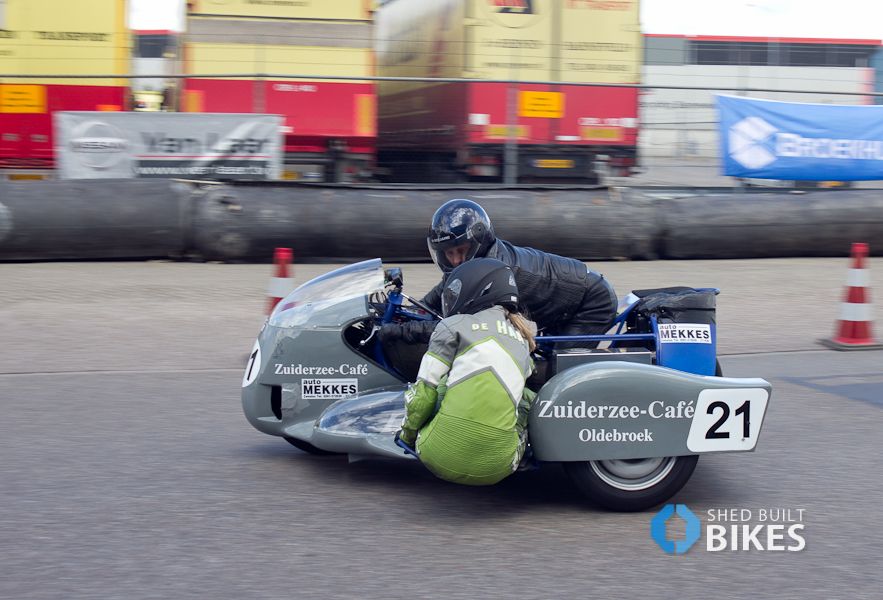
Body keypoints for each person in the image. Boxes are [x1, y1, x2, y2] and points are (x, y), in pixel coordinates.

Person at [382, 198, 618, 345]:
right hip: (560, 303)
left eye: (461, 251)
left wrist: (400, 331)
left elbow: (459, 326)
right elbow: (433, 301)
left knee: (555, 370)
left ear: (479, 242)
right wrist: (397, 314)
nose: (455, 260)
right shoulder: (469, 264)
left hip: (591, 301)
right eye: (448, 253)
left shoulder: (495, 275)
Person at [396, 258, 535, 486]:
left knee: (440, 384)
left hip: (435, 455)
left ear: (478, 288)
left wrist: (407, 436)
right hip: (498, 469)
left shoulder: (453, 325)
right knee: (527, 397)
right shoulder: (524, 339)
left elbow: (422, 395)